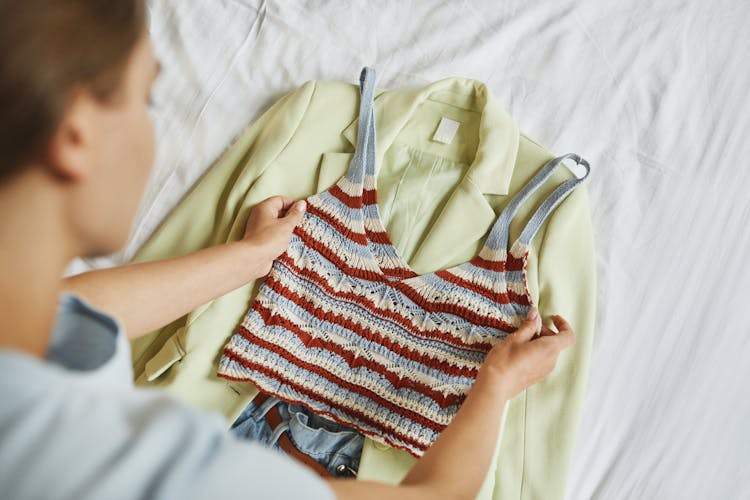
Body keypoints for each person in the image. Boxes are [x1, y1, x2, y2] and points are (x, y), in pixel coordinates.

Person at [0, 1, 576, 499]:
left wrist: (246, 259)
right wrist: (496, 383)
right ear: (76, 134)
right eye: (145, 100)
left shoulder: (26, 351)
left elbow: (75, 311)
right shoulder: (151, 471)